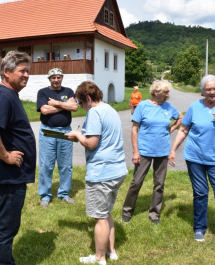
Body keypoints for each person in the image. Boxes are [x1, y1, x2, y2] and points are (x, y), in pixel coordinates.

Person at [0, 51, 36, 265]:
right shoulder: (4, 95)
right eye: (22, 71)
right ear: (6, 72)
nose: (26, 75)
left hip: (7, 175)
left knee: (1, 223)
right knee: (6, 228)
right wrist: (6, 155)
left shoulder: (7, 94)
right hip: (8, 176)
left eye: (27, 71)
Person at [168, 75, 215, 244]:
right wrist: (173, 150)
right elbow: (184, 130)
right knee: (200, 193)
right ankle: (199, 228)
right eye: (208, 89)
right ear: (202, 91)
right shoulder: (195, 106)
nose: (212, 92)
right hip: (195, 158)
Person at [65, 81, 128, 265]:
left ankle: (99, 257)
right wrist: (80, 134)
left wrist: (77, 135)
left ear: (89, 99)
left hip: (102, 171)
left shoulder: (94, 112)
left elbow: (91, 143)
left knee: (100, 217)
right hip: (117, 170)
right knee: (106, 212)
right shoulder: (110, 109)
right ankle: (111, 251)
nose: (82, 108)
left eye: (81, 103)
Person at [122, 80, 183, 224]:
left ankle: (154, 213)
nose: (168, 95)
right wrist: (136, 152)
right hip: (144, 151)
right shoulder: (143, 106)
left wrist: (172, 129)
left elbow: (180, 117)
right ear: (156, 92)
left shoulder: (168, 107)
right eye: (166, 92)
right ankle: (127, 211)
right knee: (136, 182)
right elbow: (134, 129)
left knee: (159, 184)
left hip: (162, 151)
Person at [37, 68, 78, 207]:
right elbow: (44, 110)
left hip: (65, 131)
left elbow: (75, 107)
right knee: (46, 165)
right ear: (49, 79)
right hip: (48, 131)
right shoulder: (43, 92)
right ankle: (45, 195)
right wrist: (66, 106)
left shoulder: (68, 91)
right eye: (53, 77)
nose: (56, 80)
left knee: (66, 165)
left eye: (58, 77)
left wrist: (56, 103)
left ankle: (64, 193)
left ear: (62, 78)